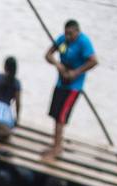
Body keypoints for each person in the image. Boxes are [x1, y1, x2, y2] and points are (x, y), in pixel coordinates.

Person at [42, 19, 98, 159]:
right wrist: (57, 64)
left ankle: (58, 148)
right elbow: (48, 55)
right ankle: (56, 144)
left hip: (73, 86)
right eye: (66, 33)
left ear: (77, 32)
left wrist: (76, 72)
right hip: (61, 82)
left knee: (62, 116)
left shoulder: (84, 42)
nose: (68, 37)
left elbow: (93, 61)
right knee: (55, 114)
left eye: (70, 34)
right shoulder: (63, 40)